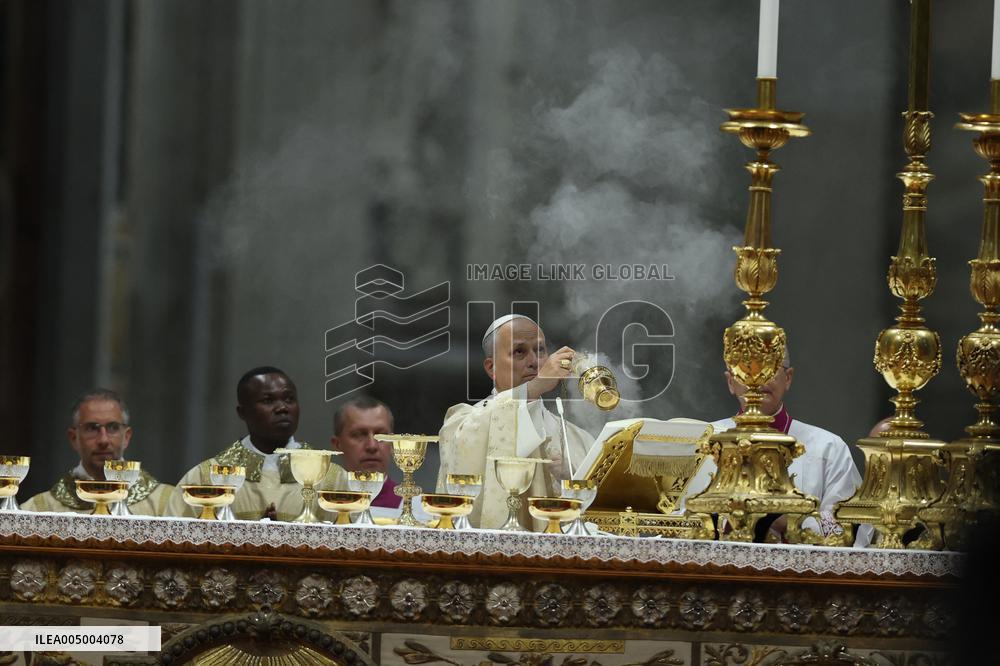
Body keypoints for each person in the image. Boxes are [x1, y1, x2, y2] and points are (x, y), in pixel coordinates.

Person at [688, 348, 871, 545]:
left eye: (769, 367)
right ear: (731, 381)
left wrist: (790, 523)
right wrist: (725, 521)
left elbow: (852, 523)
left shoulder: (828, 447)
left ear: (788, 378)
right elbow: (676, 514)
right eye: (746, 368)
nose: (758, 379)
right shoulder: (703, 441)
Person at [437, 315, 592, 530]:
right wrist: (535, 386)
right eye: (519, 352)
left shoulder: (576, 437)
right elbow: (463, 453)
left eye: (540, 350)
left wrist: (570, 477)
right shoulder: (463, 423)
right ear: (491, 367)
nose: (534, 361)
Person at [167, 366, 344, 520]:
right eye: (268, 400)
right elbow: (171, 540)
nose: (282, 408)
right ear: (242, 412)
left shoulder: (330, 479)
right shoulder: (205, 479)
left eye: (289, 399)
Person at [23, 388, 173, 515]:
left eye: (113, 427)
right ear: (74, 438)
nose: (103, 440)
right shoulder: (40, 510)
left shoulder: (167, 504)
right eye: (92, 428)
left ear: (126, 437)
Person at [330, 395, 400, 508]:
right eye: (359, 435)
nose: (372, 446)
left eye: (381, 435)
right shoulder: (320, 504)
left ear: (393, 443)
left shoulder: (413, 507)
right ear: (337, 444)